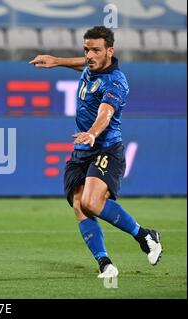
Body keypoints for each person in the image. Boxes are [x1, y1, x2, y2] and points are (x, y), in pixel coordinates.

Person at [29, 26, 162, 278]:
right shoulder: (92, 67)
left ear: (110, 52)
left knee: (91, 202)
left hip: (106, 148)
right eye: (86, 49)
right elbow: (85, 65)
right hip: (82, 149)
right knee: (79, 204)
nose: (89, 55)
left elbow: (106, 112)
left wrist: (92, 132)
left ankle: (144, 235)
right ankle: (106, 264)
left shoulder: (116, 82)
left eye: (96, 50)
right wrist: (56, 61)